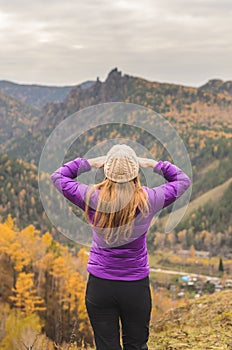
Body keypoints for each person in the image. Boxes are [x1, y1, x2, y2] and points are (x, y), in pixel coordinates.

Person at [50, 144, 191, 350]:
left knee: (106, 346)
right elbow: (183, 180)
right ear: (135, 173)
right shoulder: (149, 200)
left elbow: (58, 177)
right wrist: (154, 164)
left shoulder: (91, 197)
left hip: (100, 286)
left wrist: (89, 163)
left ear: (106, 172)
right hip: (135, 286)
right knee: (136, 345)